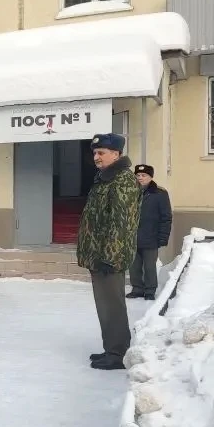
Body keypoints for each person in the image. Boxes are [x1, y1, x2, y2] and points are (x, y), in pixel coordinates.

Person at [77, 133, 142, 371]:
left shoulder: (122, 180)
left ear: (116, 154)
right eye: (95, 153)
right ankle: (111, 348)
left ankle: (117, 353)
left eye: (101, 153)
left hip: (109, 257)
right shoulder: (106, 179)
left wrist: (110, 257)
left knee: (112, 305)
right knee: (105, 305)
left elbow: (121, 223)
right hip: (100, 254)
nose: (96, 157)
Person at [129, 165, 172, 301]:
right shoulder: (130, 192)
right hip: (132, 237)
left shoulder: (159, 194)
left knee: (149, 266)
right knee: (134, 266)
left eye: (144, 175)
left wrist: (163, 237)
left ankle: (150, 290)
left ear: (150, 177)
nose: (140, 178)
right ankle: (137, 289)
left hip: (151, 237)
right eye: (138, 175)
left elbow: (166, 217)